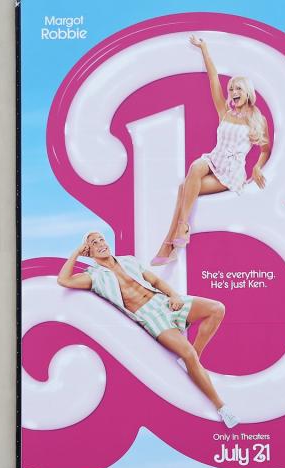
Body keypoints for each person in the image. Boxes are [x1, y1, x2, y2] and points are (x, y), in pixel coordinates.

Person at [57, 231, 238, 428]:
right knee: (187, 353)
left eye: (102, 239)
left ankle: (196, 362)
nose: (101, 243)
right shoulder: (92, 276)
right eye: (94, 242)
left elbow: (156, 282)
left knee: (216, 309)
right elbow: (64, 280)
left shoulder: (129, 261)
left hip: (164, 301)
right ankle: (222, 407)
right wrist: (76, 253)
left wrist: (174, 295)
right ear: (89, 251)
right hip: (149, 316)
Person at [151, 35, 271, 265]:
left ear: (247, 92)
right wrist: (204, 48)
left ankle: (167, 247)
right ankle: (182, 229)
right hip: (212, 160)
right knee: (195, 166)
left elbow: (265, 149)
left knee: (183, 188)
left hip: (231, 173)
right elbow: (213, 78)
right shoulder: (224, 112)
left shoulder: (257, 119)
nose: (232, 92)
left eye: (238, 88)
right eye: (231, 88)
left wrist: (256, 166)